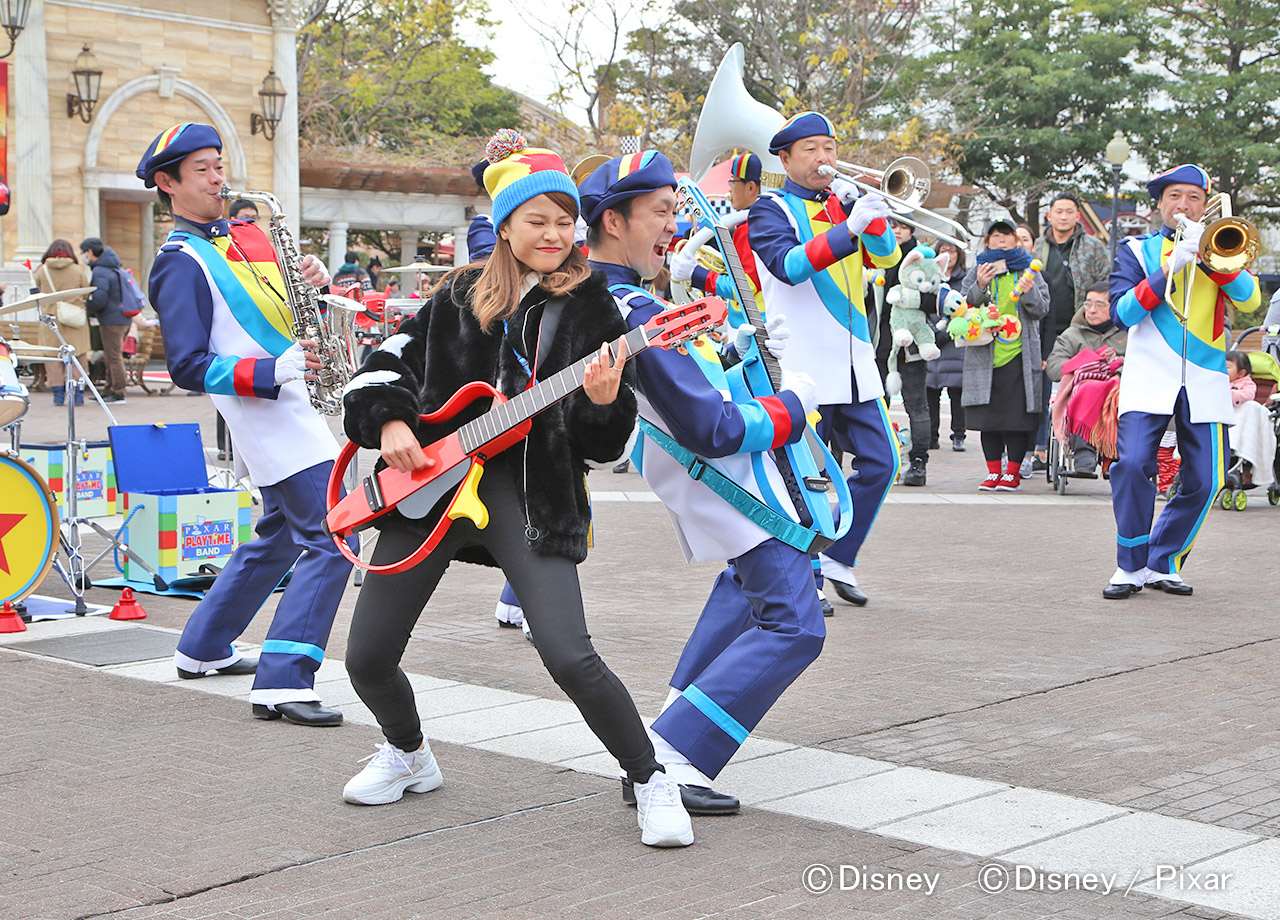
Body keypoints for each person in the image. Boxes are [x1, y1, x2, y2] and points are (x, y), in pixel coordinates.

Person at [338, 131, 693, 848]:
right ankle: (409, 755)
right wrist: (392, 422)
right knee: (366, 658)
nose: (556, 234)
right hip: (432, 486)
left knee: (569, 655)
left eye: (566, 221)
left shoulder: (596, 309)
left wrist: (599, 399)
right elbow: (382, 364)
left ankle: (651, 779)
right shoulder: (458, 294)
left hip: (530, 497)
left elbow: (604, 445)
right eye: (539, 220)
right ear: (504, 225)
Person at [581, 147, 823, 819]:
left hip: (711, 480)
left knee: (743, 597)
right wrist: (794, 404)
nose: (672, 226)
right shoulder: (630, 309)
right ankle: (675, 751)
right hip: (729, 478)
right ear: (611, 221)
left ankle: (666, 729)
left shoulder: (608, 297)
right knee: (795, 627)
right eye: (660, 212)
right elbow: (711, 428)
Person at [141, 122, 352, 726]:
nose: (218, 177)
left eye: (217, 164)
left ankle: (203, 647)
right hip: (265, 412)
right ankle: (283, 680)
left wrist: (314, 282)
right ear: (168, 183)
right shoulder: (179, 261)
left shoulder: (241, 239)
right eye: (202, 169)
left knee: (282, 536)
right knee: (335, 539)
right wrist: (271, 370)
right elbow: (186, 365)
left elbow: (288, 315)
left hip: (293, 402)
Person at [748, 111, 900, 607]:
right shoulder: (768, 208)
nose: (824, 158)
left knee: (882, 463)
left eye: (830, 148)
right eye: (810, 149)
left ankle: (839, 554)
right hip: (801, 364)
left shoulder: (843, 204)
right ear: (786, 157)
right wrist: (846, 230)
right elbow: (788, 267)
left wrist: (871, 220)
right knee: (808, 476)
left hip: (855, 364)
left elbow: (888, 258)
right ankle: (808, 572)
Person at [1104, 164, 1261, 599]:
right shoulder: (1136, 250)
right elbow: (1122, 314)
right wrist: (1171, 266)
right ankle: (1130, 565)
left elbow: (1250, 299)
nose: (1184, 205)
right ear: (1160, 204)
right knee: (1134, 465)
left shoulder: (1219, 251)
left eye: (1193, 197)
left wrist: (1212, 262)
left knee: (1208, 480)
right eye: (1175, 196)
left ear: (1205, 204)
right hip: (1149, 373)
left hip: (1206, 377)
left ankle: (1164, 561)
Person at [959, 217, 1050, 491]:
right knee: (989, 418)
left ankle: (1012, 473)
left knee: (1016, 419)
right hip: (985, 354)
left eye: (1007, 235)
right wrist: (980, 285)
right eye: (996, 236)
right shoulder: (979, 268)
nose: (1001, 240)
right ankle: (993, 472)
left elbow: (1042, 309)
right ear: (987, 241)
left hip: (1020, 354)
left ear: (1017, 241)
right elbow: (961, 307)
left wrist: (1028, 290)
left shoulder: (1028, 270)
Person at [1032, 193, 1111, 471]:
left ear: (1078, 216)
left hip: (1081, 327)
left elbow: (1107, 281)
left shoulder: (1093, 247)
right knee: (1041, 388)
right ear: (1049, 215)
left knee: (1079, 386)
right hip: (1043, 327)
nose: (1063, 216)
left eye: (1069, 212)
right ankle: (1040, 449)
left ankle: (1084, 445)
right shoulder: (1038, 247)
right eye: (1058, 211)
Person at [1045, 282, 1127, 474]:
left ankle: (1112, 452)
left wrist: (1117, 366)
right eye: (1088, 304)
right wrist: (1088, 363)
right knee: (1088, 388)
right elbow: (1054, 367)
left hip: (1117, 390)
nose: (1091, 310)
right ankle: (1084, 450)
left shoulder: (1128, 334)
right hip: (1081, 391)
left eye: (1099, 305)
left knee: (1115, 390)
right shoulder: (1072, 334)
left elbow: (1142, 364)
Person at [873, 218, 932, 486]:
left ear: (911, 230)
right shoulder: (875, 254)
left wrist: (909, 299)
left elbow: (935, 299)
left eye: (902, 226)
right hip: (879, 343)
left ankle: (918, 462)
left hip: (912, 346)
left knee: (917, 405)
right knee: (876, 404)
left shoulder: (922, 258)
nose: (896, 231)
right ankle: (883, 459)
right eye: (891, 226)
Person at [669, 152, 762, 304]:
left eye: (733, 181)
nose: (730, 189)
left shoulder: (750, 226)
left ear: (751, 187)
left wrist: (695, 273)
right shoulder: (763, 220)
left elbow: (745, 288)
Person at [34, 239, 92, 406]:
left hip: (50, 321)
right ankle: (78, 395)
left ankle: (58, 395)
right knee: (78, 355)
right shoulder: (76, 270)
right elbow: (86, 292)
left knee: (52, 357)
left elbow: (37, 290)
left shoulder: (42, 270)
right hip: (74, 319)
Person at [79, 237, 132, 404]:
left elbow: (100, 298)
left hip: (112, 320)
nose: (83, 257)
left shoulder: (101, 271)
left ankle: (118, 392)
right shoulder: (112, 266)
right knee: (111, 356)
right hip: (121, 317)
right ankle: (109, 389)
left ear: (89, 252)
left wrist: (87, 305)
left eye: (83, 253)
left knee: (114, 357)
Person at [926, 239, 968, 451]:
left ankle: (958, 434)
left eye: (952, 251)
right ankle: (931, 435)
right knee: (930, 389)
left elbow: (964, 308)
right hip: (930, 338)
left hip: (954, 342)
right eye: (944, 251)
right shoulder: (930, 277)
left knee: (956, 391)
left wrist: (946, 332)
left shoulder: (964, 280)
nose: (949, 255)